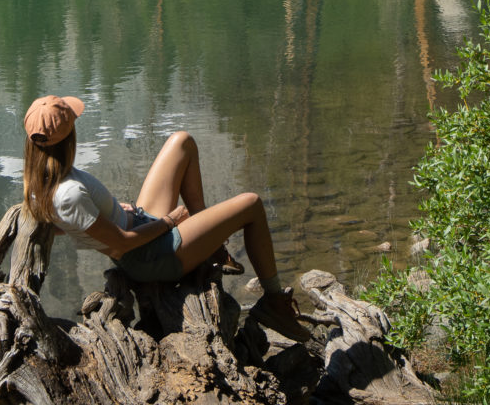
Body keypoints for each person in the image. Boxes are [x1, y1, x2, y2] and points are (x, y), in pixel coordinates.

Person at [22, 93, 310, 342]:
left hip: (139, 223)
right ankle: (274, 303)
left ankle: (209, 246)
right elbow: (122, 245)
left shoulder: (42, 181)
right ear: (68, 137)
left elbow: (60, 224)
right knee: (252, 204)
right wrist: (170, 222)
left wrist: (106, 214)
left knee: (182, 142)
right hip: (149, 255)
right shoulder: (68, 193)